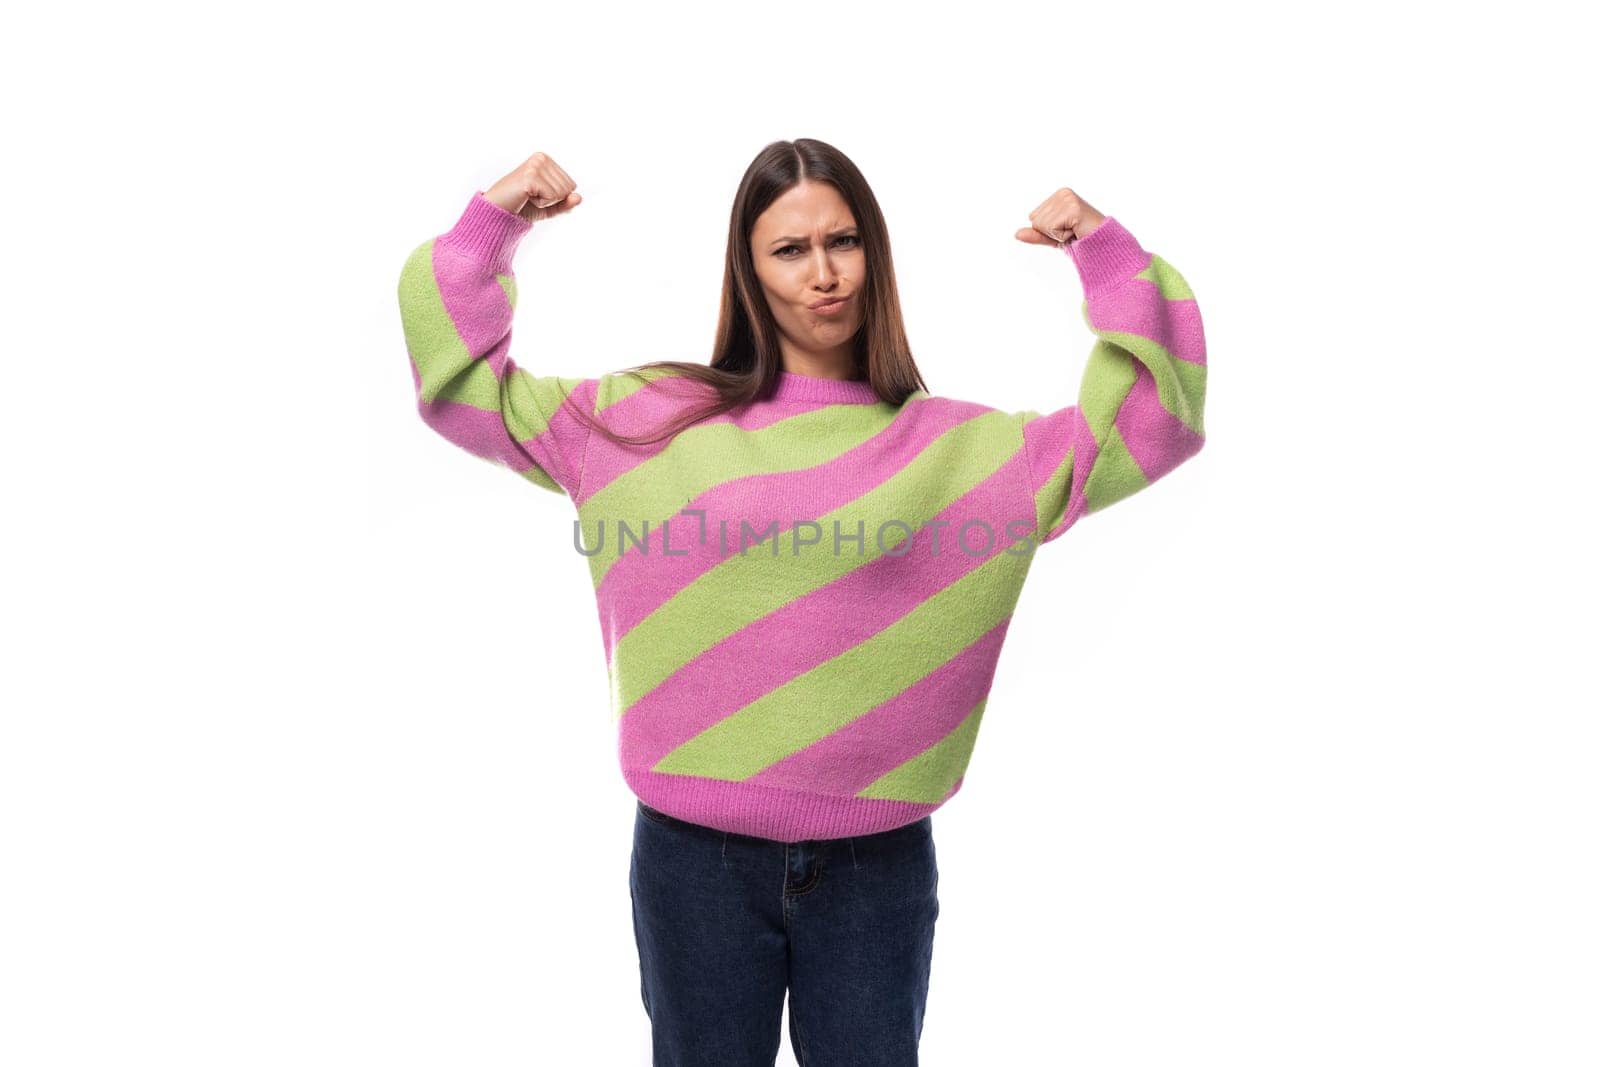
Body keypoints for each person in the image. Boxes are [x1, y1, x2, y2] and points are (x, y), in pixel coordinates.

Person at [396, 138, 1207, 1066]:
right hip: (692, 860)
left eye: (844, 241)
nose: (823, 273)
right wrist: (490, 228)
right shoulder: (646, 422)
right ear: (748, 269)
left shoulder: (961, 452)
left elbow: (1158, 420)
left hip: (878, 863)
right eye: (789, 249)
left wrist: (1104, 252)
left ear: (875, 254)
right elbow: (461, 390)